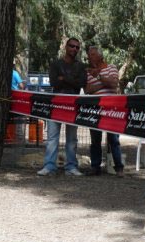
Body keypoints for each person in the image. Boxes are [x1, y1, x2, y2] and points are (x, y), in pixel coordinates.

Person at [37, 38, 86, 176]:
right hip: (56, 104)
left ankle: (71, 167)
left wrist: (63, 79)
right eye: (72, 46)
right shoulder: (55, 64)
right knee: (52, 137)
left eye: (77, 47)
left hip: (73, 105)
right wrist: (71, 81)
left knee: (72, 138)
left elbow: (81, 84)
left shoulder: (81, 66)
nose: (74, 49)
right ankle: (49, 166)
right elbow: (53, 83)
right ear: (66, 46)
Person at [84, 45, 124, 177]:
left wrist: (99, 78)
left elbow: (114, 83)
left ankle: (119, 168)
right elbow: (88, 90)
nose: (90, 57)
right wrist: (103, 82)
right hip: (95, 109)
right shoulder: (88, 72)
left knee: (114, 139)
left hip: (112, 109)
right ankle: (95, 167)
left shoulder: (111, 67)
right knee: (95, 139)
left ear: (101, 56)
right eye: (89, 55)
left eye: (93, 54)